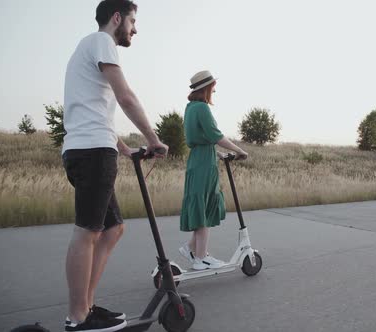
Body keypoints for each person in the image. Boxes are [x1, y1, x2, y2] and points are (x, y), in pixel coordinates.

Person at [61, 1, 168, 331]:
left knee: (113, 228)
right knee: (88, 231)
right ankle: (78, 317)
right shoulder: (102, 41)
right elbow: (126, 97)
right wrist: (153, 138)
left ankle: (87, 306)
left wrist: (126, 149)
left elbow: (97, 114)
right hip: (92, 153)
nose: (135, 29)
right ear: (117, 17)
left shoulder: (89, 48)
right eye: (133, 21)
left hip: (93, 148)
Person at [178, 70, 248, 270]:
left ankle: (192, 248)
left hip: (198, 157)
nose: (214, 90)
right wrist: (239, 150)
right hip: (204, 162)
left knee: (202, 202)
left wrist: (216, 153)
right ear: (206, 88)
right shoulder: (202, 108)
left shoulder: (190, 107)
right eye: (213, 87)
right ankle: (201, 258)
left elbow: (199, 137)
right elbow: (216, 135)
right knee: (205, 203)